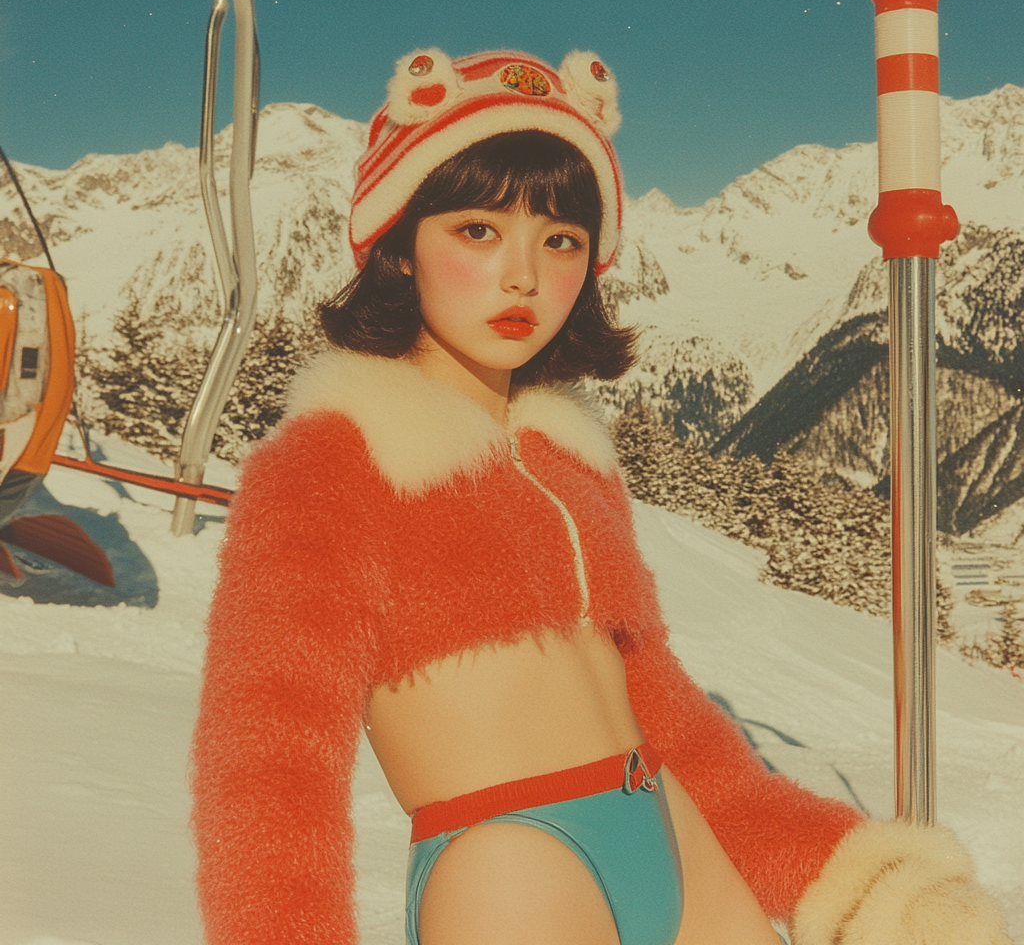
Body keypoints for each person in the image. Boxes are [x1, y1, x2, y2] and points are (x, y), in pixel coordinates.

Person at [190, 49, 1009, 945]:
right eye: (476, 229)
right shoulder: (334, 459)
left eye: (561, 239)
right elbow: (269, 764)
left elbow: (667, 715)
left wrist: (864, 886)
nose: (523, 275)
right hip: (513, 866)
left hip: (670, 833)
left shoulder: (568, 456)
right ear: (396, 245)